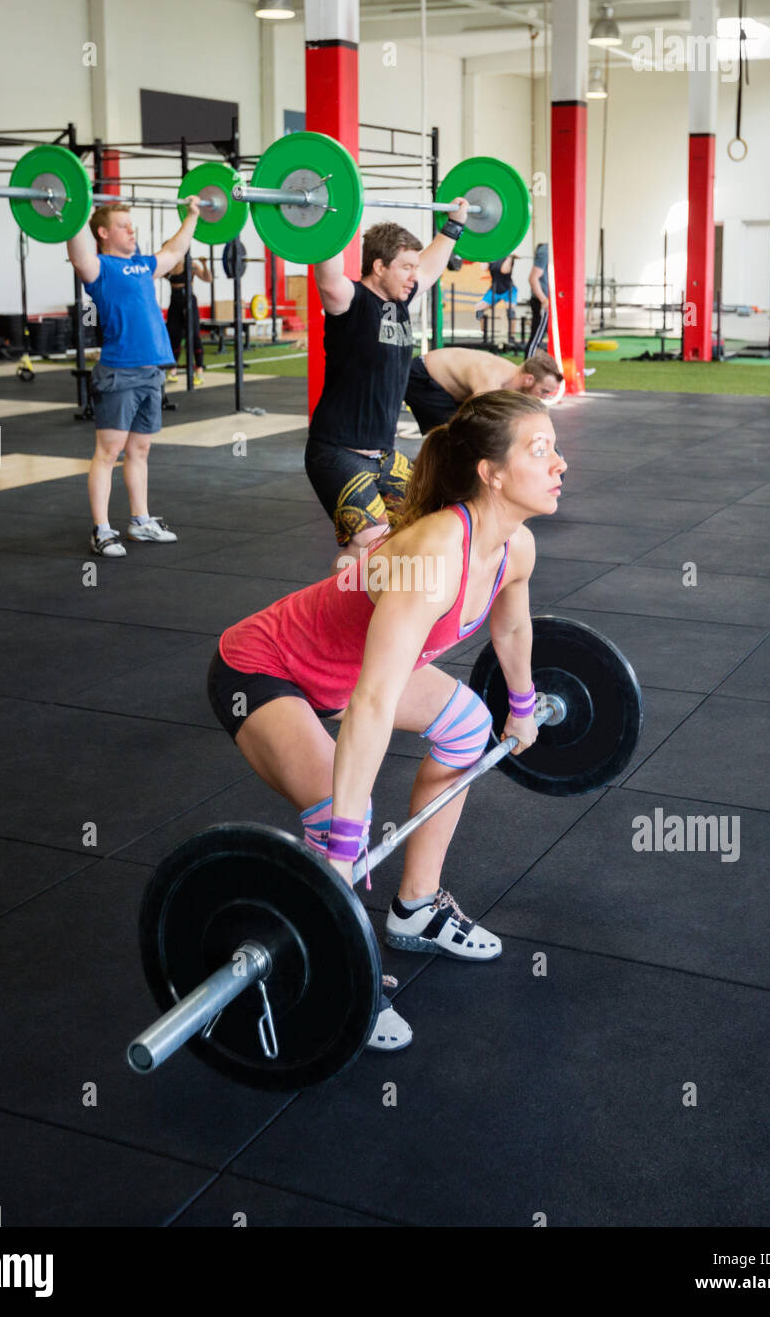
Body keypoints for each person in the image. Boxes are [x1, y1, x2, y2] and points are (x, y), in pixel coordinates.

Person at [208, 390, 568, 1051]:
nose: (559, 464)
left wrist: (520, 705)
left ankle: (416, 907)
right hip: (266, 670)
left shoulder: (515, 549)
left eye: (554, 447)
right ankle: (343, 975)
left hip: (346, 676)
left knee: (467, 729)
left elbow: (512, 626)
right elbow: (373, 702)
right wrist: (347, 834)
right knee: (333, 810)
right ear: (490, 472)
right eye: (539, 451)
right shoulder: (431, 557)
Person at [306, 206, 469, 568]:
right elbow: (328, 275)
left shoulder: (400, 300)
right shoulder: (348, 301)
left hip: (383, 456)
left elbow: (430, 266)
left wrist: (455, 225)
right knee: (368, 545)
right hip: (337, 453)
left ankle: (384, 612)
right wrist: (329, 210)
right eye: (405, 268)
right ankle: (338, 617)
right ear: (379, 267)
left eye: (414, 267)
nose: (415, 276)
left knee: (434, 519)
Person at [68, 198, 203, 557]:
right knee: (107, 453)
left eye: (132, 224)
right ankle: (101, 529)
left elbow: (175, 252)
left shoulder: (143, 266)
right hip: (119, 372)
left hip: (150, 373)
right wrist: (73, 209)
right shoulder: (100, 269)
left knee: (139, 451)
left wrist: (192, 215)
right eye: (124, 225)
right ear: (103, 232)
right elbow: (79, 253)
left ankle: (140, 522)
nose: (132, 230)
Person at [405, 347, 564, 434]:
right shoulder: (491, 379)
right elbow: (481, 420)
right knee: (453, 434)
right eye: (543, 391)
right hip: (422, 376)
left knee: (457, 434)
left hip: (444, 387)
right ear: (529, 379)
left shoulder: (511, 376)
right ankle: (417, 479)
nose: (542, 397)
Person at [165, 255, 211, 387]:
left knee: (195, 336)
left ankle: (199, 372)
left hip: (189, 303)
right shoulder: (169, 265)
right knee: (174, 336)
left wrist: (205, 265)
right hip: (174, 303)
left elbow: (208, 279)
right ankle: (172, 370)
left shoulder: (192, 265)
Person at [474, 254, 517, 331]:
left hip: (508, 289)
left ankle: (512, 337)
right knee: (478, 309)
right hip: (495, 289)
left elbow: (504, 270)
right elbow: (484, 268)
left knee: (510, 311)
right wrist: (484, 256)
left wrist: (510, 257)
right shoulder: (491, 256)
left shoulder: (508, 257)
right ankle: (484, 335)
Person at [527, 241, 550, 357]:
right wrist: (544, 300)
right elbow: (533, 278)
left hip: (553, 301)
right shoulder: (546, 251)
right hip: (543, 302)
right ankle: (527, 366)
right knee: (537, 337)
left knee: (559, 338)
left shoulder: (556, 250)